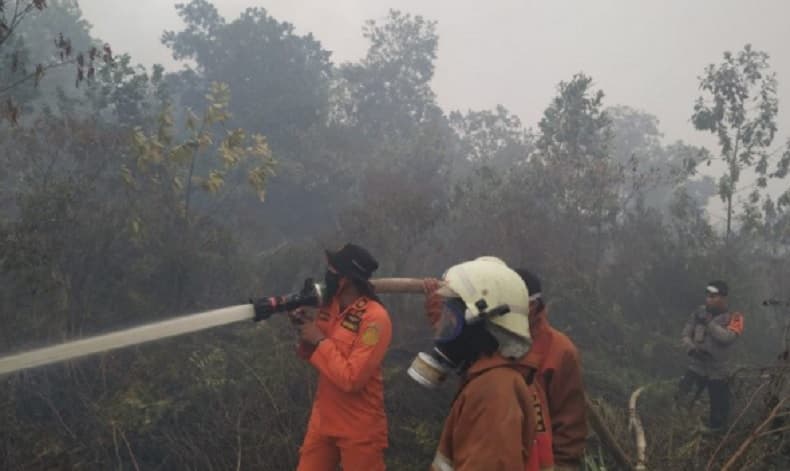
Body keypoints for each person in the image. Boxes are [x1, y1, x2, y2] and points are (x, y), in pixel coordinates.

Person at [412, 256, 538, 470]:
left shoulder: (495, 394)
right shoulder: (486, 381)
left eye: (451, 320)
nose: (444, 332)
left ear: (479, 326)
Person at [290, 243, 392, 471]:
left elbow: (351, 379)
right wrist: (304, 331)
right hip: (324, 418)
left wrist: (319, 340)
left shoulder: (375, 319)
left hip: (359, 427)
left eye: (332, 272)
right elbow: (314, 354)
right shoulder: (331, 307)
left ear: (345, 279)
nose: (328, 276)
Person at [516, 268, 588, 471]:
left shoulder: (560, 351)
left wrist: (562, 466)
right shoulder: (495, 340)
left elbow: (570, 425)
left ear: (531, 306)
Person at [677, 280, 744, 433]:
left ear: (723, 298)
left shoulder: (735, 317)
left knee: (719, 412)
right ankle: (682, 426)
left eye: (714, 296)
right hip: (697, 364)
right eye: (708, 295)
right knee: (681, 396)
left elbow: (727, 337)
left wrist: (710, 324)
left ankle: (715, 435)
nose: (709, 299)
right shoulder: (698, 312)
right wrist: (691, 349)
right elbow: (685, 334)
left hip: (718, 371)